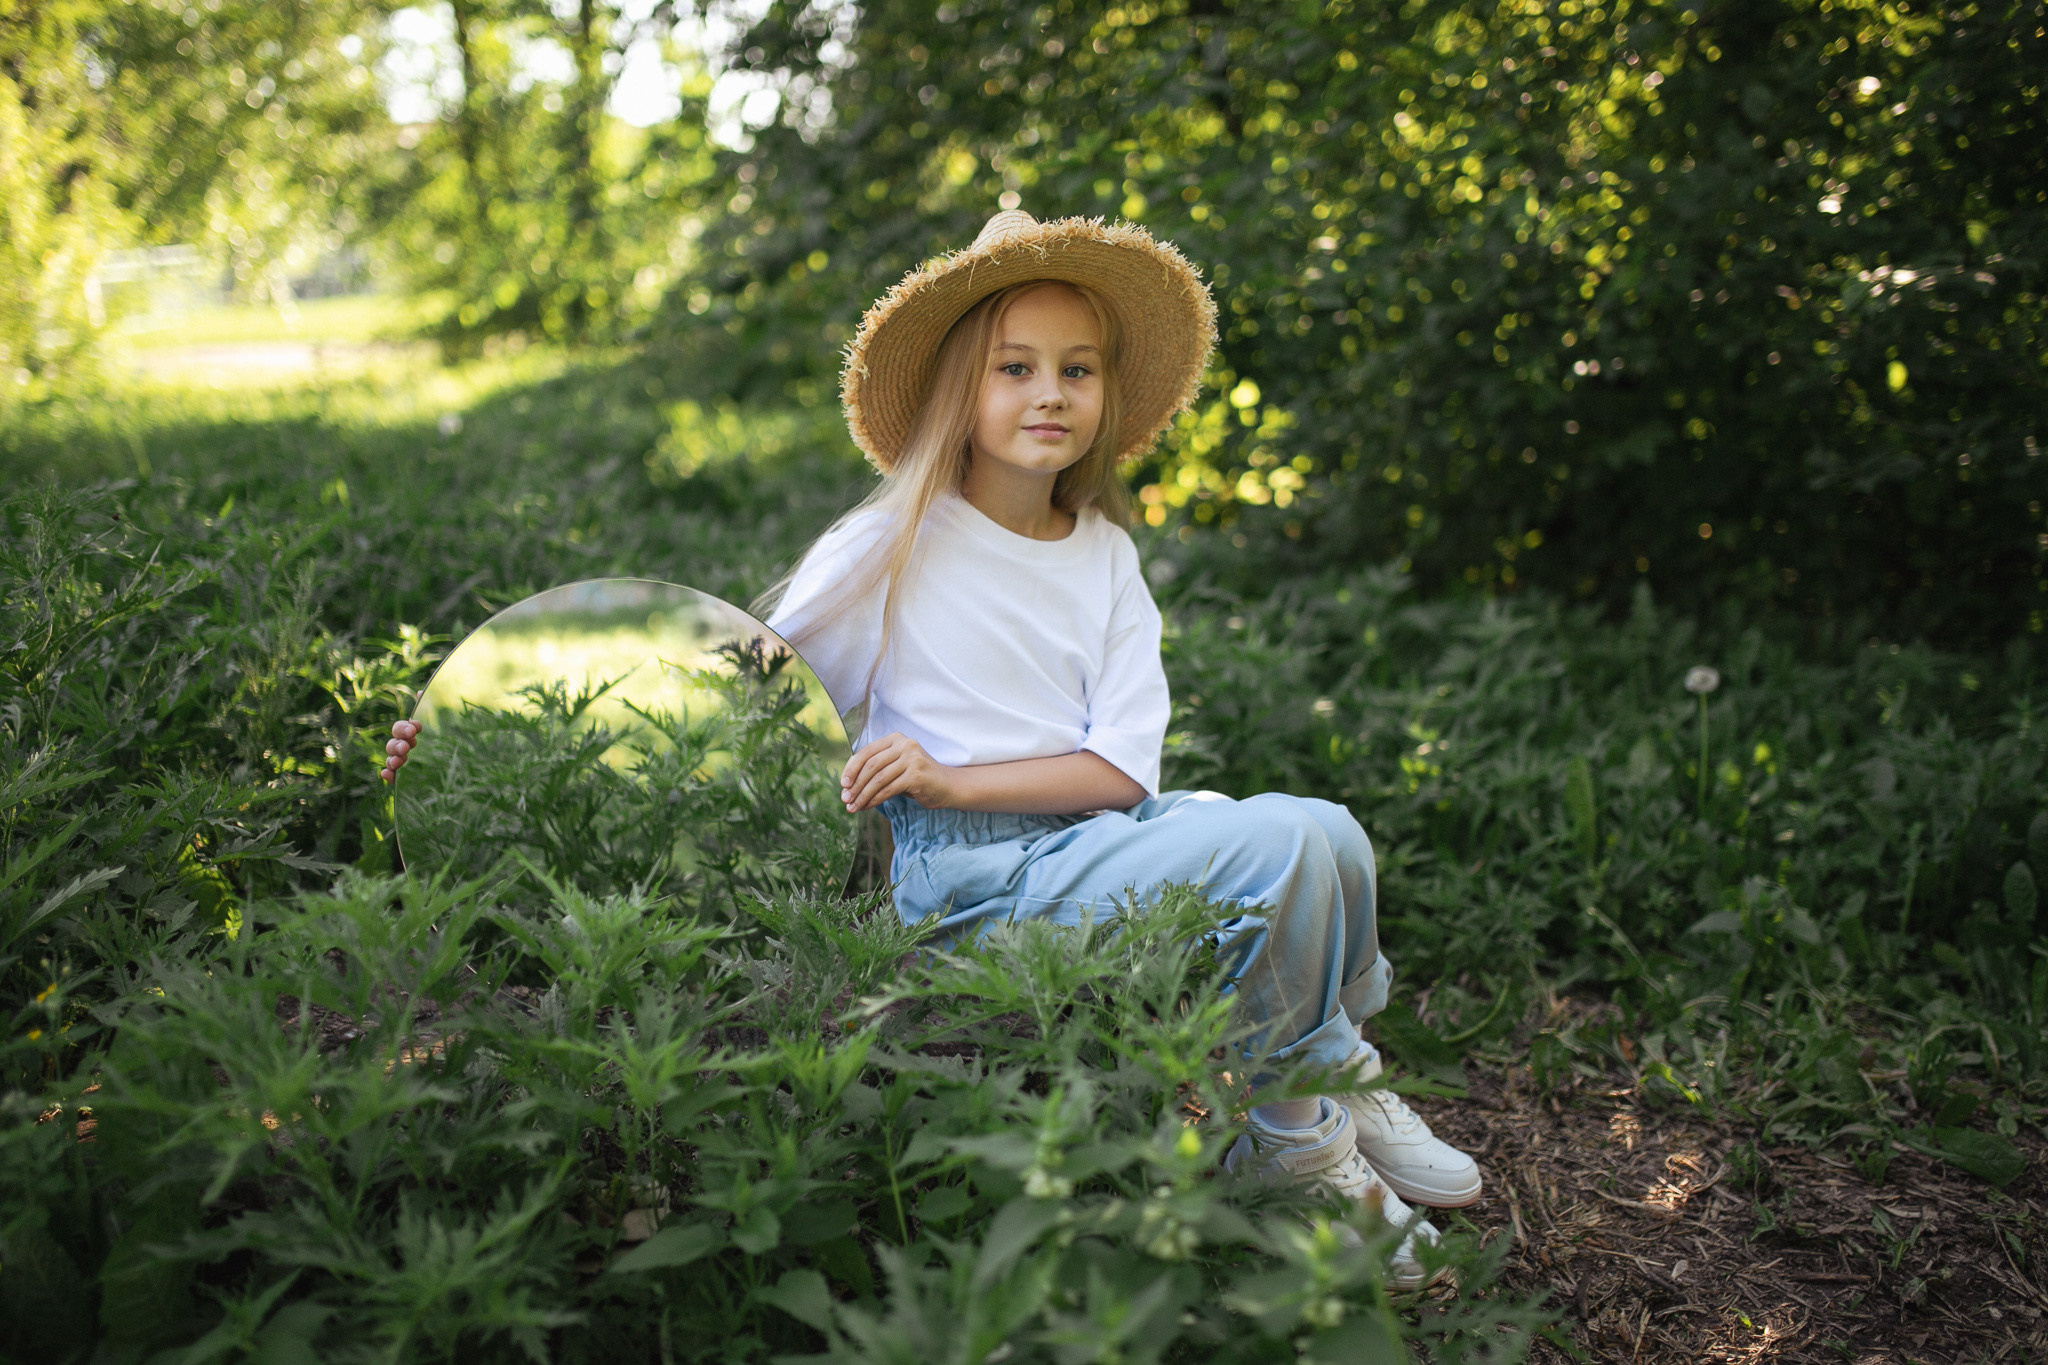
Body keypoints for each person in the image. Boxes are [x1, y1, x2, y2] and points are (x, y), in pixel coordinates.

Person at [382, 210, 1482, 1287]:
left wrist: (957, 768)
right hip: (969, 878)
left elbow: (1120, 773)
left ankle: (1332, 1068)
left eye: (1077, 369)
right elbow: (726, 699)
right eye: (1015, 367)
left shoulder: (1104, 554)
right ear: (961, 387)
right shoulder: (891, 541)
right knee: (1281, 841)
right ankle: (1291, 1147)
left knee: (1328, 831)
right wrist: (478, 734)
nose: (1049, 393)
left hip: (1096, 832)